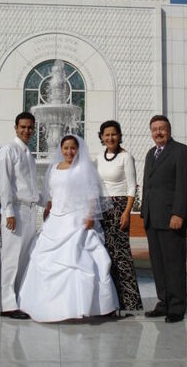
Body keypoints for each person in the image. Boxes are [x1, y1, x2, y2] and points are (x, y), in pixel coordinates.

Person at [17, 135, 119, 322]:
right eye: (66, 148)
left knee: (80, 259)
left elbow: (91, 195)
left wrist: (90, 215)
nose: (69, 152)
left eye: (73, 148)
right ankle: (44, 305)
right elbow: (52, 193)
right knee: (43, 258)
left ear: (78, 150)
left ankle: (81, 305)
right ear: (61, 149)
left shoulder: (83, 168)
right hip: (56, 219)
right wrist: (48, 207)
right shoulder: (54, 168)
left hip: (76, 219)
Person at [141, 115, 187, 323]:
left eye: (162, 128)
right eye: (154, 129)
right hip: (152, 218)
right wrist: (144, 211)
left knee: (174, 264)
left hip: (171, 218)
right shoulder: (150, 154)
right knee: (158, 265)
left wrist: (178, 213)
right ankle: (163, 302)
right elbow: (148, 184)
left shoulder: (181, 151)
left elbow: (184, 185)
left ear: (169, 130)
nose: (158, 132)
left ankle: (177, 307)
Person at [95, 120, 143, 312]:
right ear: (101, 137)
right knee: (105, 253)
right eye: (106, 135)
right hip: (102, 207)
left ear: (119, 135)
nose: (110, 138)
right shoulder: (98, 158)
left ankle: (130, 302)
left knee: (121, 254)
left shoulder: (126, 157)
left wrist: (127, 212)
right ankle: (110, 301)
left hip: (119, 206)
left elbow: (132, 186)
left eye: (113, 134)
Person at [0, 111, 40, 319]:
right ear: (15, 127)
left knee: (24, 258)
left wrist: (46, 202)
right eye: (23, 127)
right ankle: (7, 305)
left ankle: (19, 300)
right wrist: (8, 212)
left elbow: (30, 186)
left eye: (30, 127)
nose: (27, 131)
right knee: (11, 258)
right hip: (15, 211)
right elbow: (4, 184)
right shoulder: (8, 150)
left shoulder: (28, 154)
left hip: (30, 211)